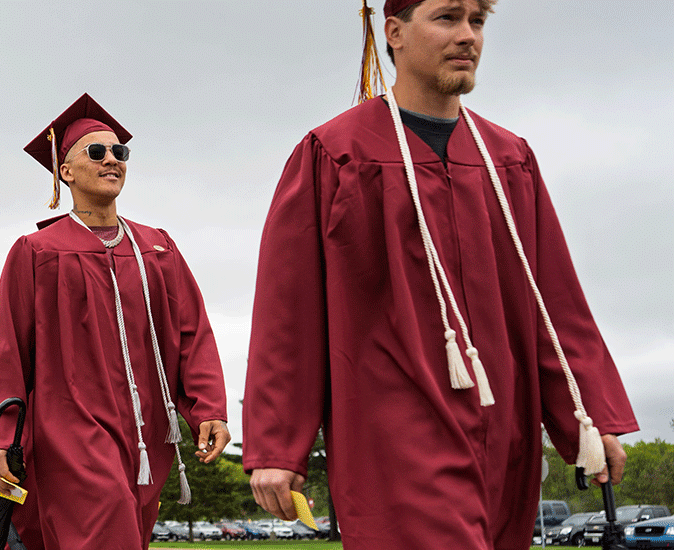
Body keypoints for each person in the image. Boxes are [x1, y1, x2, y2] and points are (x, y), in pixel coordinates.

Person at [242, 1, 639, 549]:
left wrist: (590, 416)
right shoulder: (336, 153)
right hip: (392, 430)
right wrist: (278, 446)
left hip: (506, 431)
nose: (467, 36)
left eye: (477, 21)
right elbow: (289, 311)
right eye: (447, 18)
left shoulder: (508, 160)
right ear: (395, 32)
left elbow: (555, 301)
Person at [0, 94, 230, 550]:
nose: (112, 159)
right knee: (104, 522)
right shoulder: (37, 252)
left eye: (119, 152)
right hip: (68, 425)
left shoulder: (157, 248)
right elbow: (7, 348)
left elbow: (192, 332)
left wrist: (207, 407)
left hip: (147, 429)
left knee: (129, 531)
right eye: (96, 152)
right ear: (65, 172)